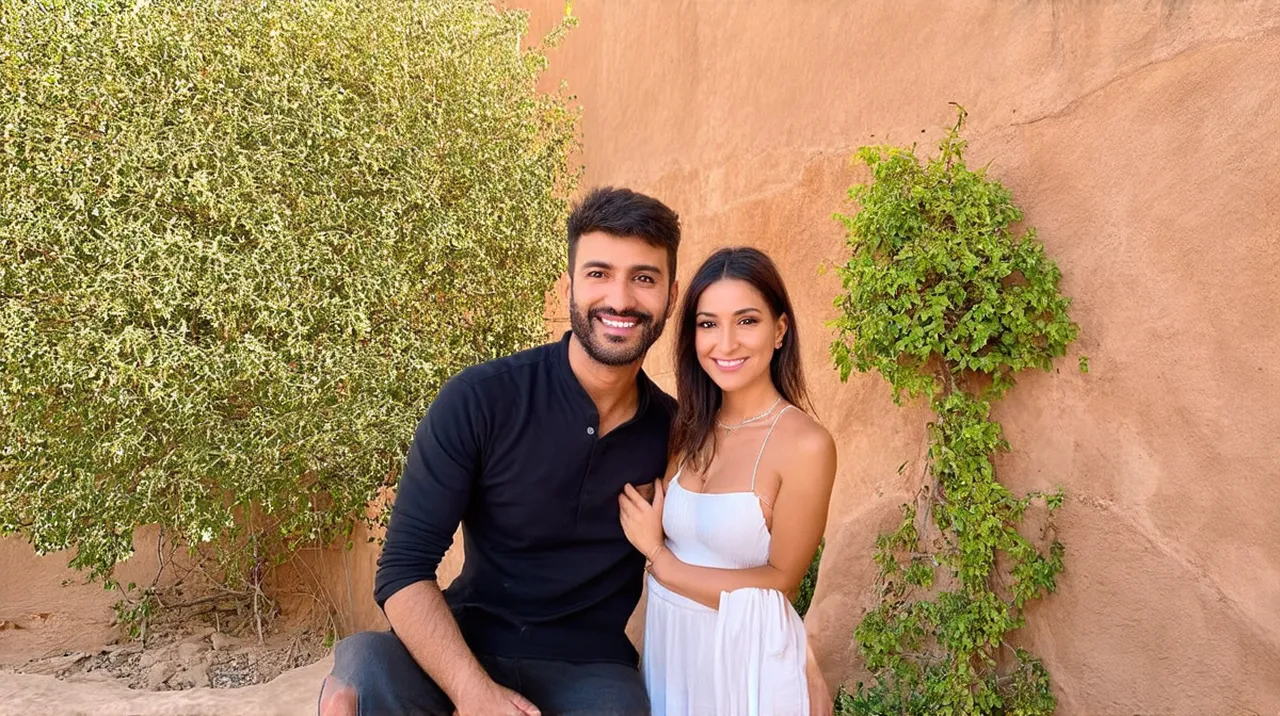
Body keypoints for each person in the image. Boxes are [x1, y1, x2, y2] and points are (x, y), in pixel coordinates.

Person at [319, 186, 682, 716]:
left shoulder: (677, 432)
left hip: (591, 668)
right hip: (468, 643)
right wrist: (473, 692)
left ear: (671, 295)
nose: (621, 300)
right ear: (569, 288)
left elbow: (729, 548)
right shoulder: (482, 399)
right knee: (368, 668)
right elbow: (403, 570)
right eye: (599, 273)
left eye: (644, 278)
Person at [619, 247, 838, 716]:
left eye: (747, 321)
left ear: (779, 330)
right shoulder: (685, 429)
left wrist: (660, 559)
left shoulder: (806, 445)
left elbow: (782, 582)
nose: (726, 343)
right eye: (708, 324)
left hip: (747, 663)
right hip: (673, 651)